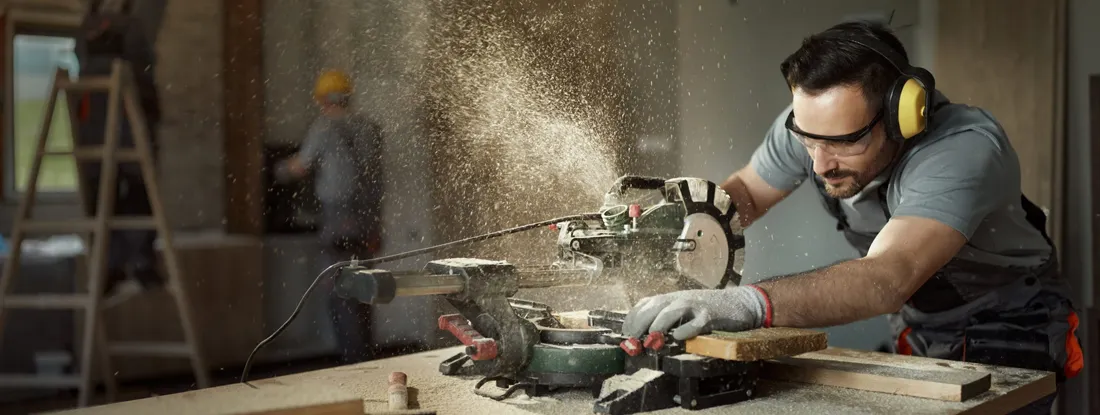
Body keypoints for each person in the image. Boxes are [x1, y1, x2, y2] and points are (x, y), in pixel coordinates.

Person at [622, 21, 1083, 413]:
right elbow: (742, 197)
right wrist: (679, 226)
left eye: (843, 144)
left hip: (1009, 323)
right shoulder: (814, 126)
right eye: (808, 141)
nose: (820, 164)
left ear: (902, 116)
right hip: (917, 322)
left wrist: (746, 304)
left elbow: (888, 276)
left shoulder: (963, 151)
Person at [276, 70, 385, 364]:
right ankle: (366, 358)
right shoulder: (369, 128)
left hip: (338, 218)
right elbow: (376, 179)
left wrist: (279, 168)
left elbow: (300, 167)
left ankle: (353, 362)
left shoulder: (324, 127)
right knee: (365, 289)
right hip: (368, 219)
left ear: (323, 99)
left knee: (339, 290)